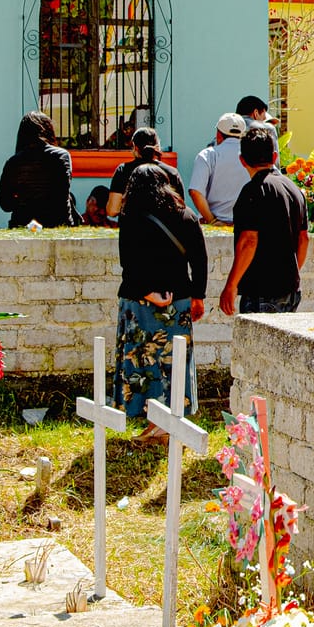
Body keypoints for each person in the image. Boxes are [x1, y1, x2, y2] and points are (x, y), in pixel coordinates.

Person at [112, 161, 207, 432]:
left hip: (138, 303)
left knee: (141, 361)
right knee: (173, 362)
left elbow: (128, 262)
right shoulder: (186, 215)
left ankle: (145, 417)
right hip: (177, 302)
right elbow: (199, 259)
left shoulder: (130, 217)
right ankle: (172, 416)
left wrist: (148, 293)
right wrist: (197, 296)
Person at [221, 126, 308, 316]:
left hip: (262, 290)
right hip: (291, 289)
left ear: (242, 160)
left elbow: (249, 241)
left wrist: (231, 285)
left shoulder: (252, 191)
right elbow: (303, 239)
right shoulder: (294, 189)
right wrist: (292, 274)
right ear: (275, 156)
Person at [0, 111, 75, 227]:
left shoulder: (13, 162)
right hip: (57, 225)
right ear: (49, 130)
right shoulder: (61, 156)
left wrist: (23, 201)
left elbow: (4, 203)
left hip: (23, 225)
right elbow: (62, 196)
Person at [187, 112, 252, 224]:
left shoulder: (208, 155)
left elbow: (195, 192)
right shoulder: (253, 155)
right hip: (247, 227)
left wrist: (212, 220)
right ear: (242, 134)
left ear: (218, 134)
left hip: (213, 225)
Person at [106, 126, 181, 218]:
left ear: (135, 147)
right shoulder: (172, 172)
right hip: (162, 230)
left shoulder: (123, 170)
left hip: (133, 229)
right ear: (157, 147)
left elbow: (113, 210)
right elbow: (180, 208)